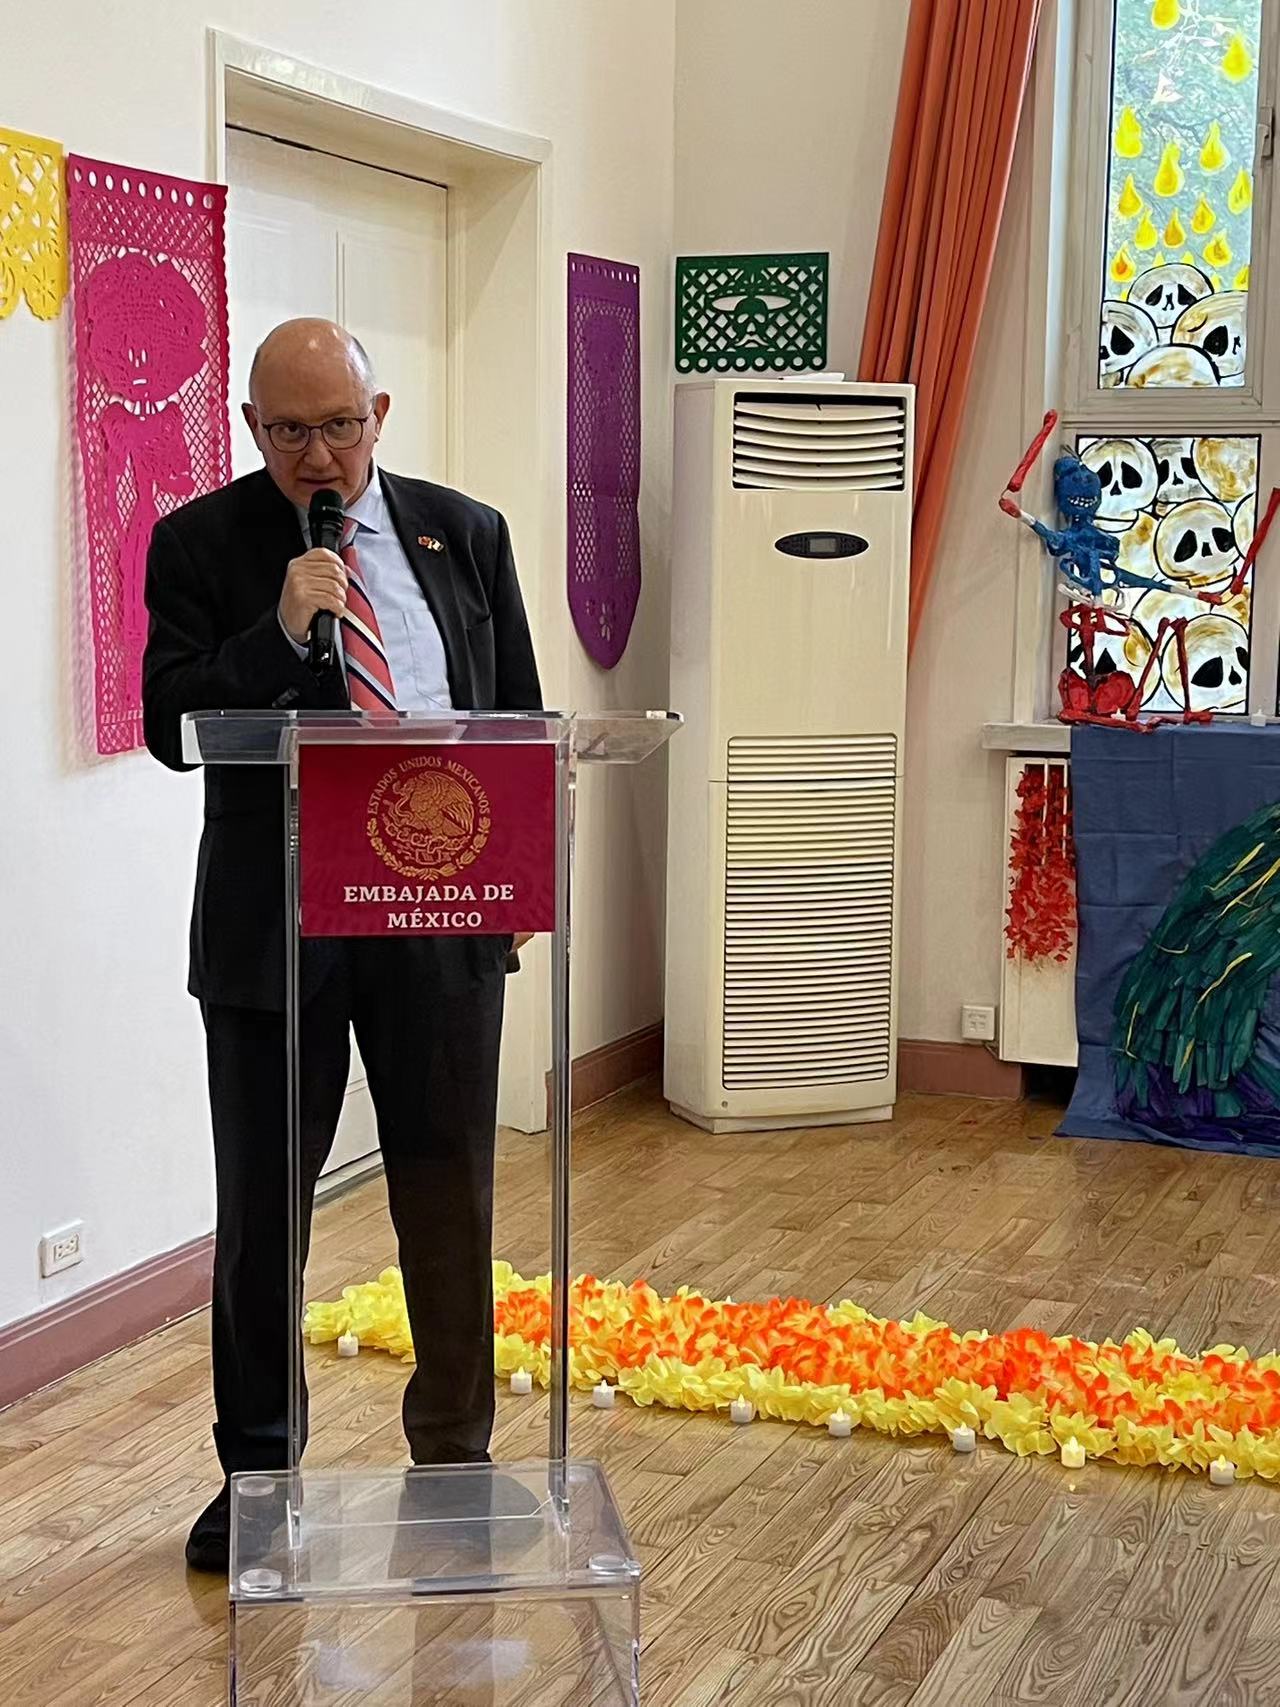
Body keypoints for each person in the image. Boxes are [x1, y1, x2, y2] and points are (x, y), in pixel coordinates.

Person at [142, 319, 541, 1573]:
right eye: (285, 431)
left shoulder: (463, 532)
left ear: (381, 409)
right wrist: (275, 631)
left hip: (437, 920)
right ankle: (258, 1475)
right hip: (277, 933)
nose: (315, 455)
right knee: (265, 1214)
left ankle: (455, 1461)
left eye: (337, 425)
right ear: (252, 427)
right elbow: (169, 723)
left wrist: (516, 886)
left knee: (447, 1193)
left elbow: (519, 717)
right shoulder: (199, 542)